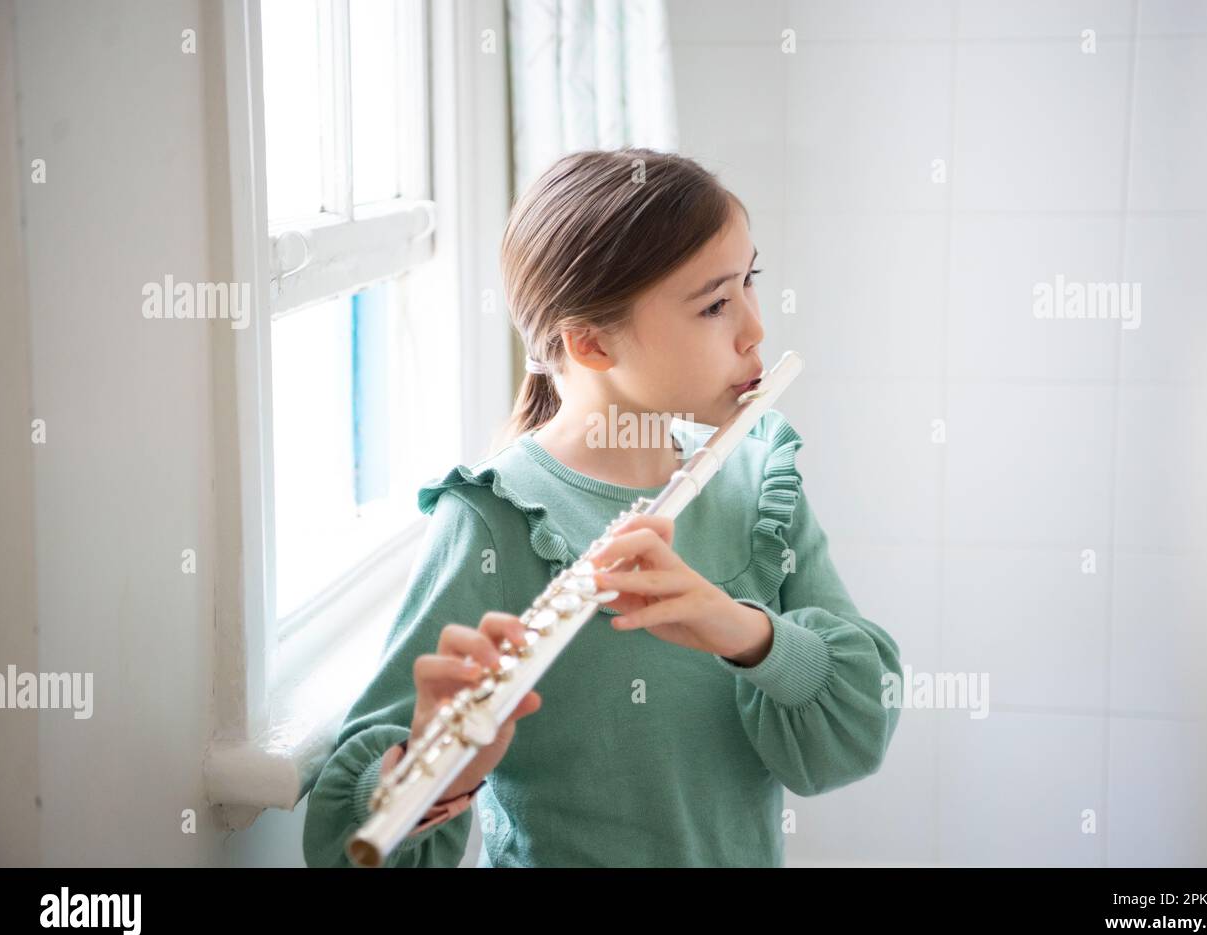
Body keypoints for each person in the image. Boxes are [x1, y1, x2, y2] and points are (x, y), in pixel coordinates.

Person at [302, 148, 902, 867]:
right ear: (587, 342)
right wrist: (442, 772)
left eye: (750, 282)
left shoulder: (756, 476)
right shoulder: (493, 520)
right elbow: (343, 851)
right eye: (715, 304)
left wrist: (743, 632)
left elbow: (858, 731)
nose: (755, 331)